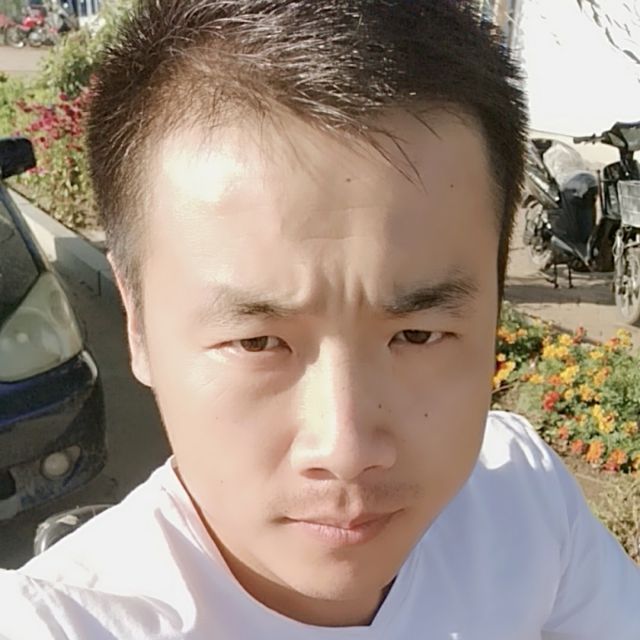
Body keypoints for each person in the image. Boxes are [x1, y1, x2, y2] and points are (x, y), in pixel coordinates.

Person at [1, 1, 639, 638]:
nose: (346, 450)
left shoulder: (523, 503)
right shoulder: (59, 622)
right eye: (257, 342)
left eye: (418, 335)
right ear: (136, 321)